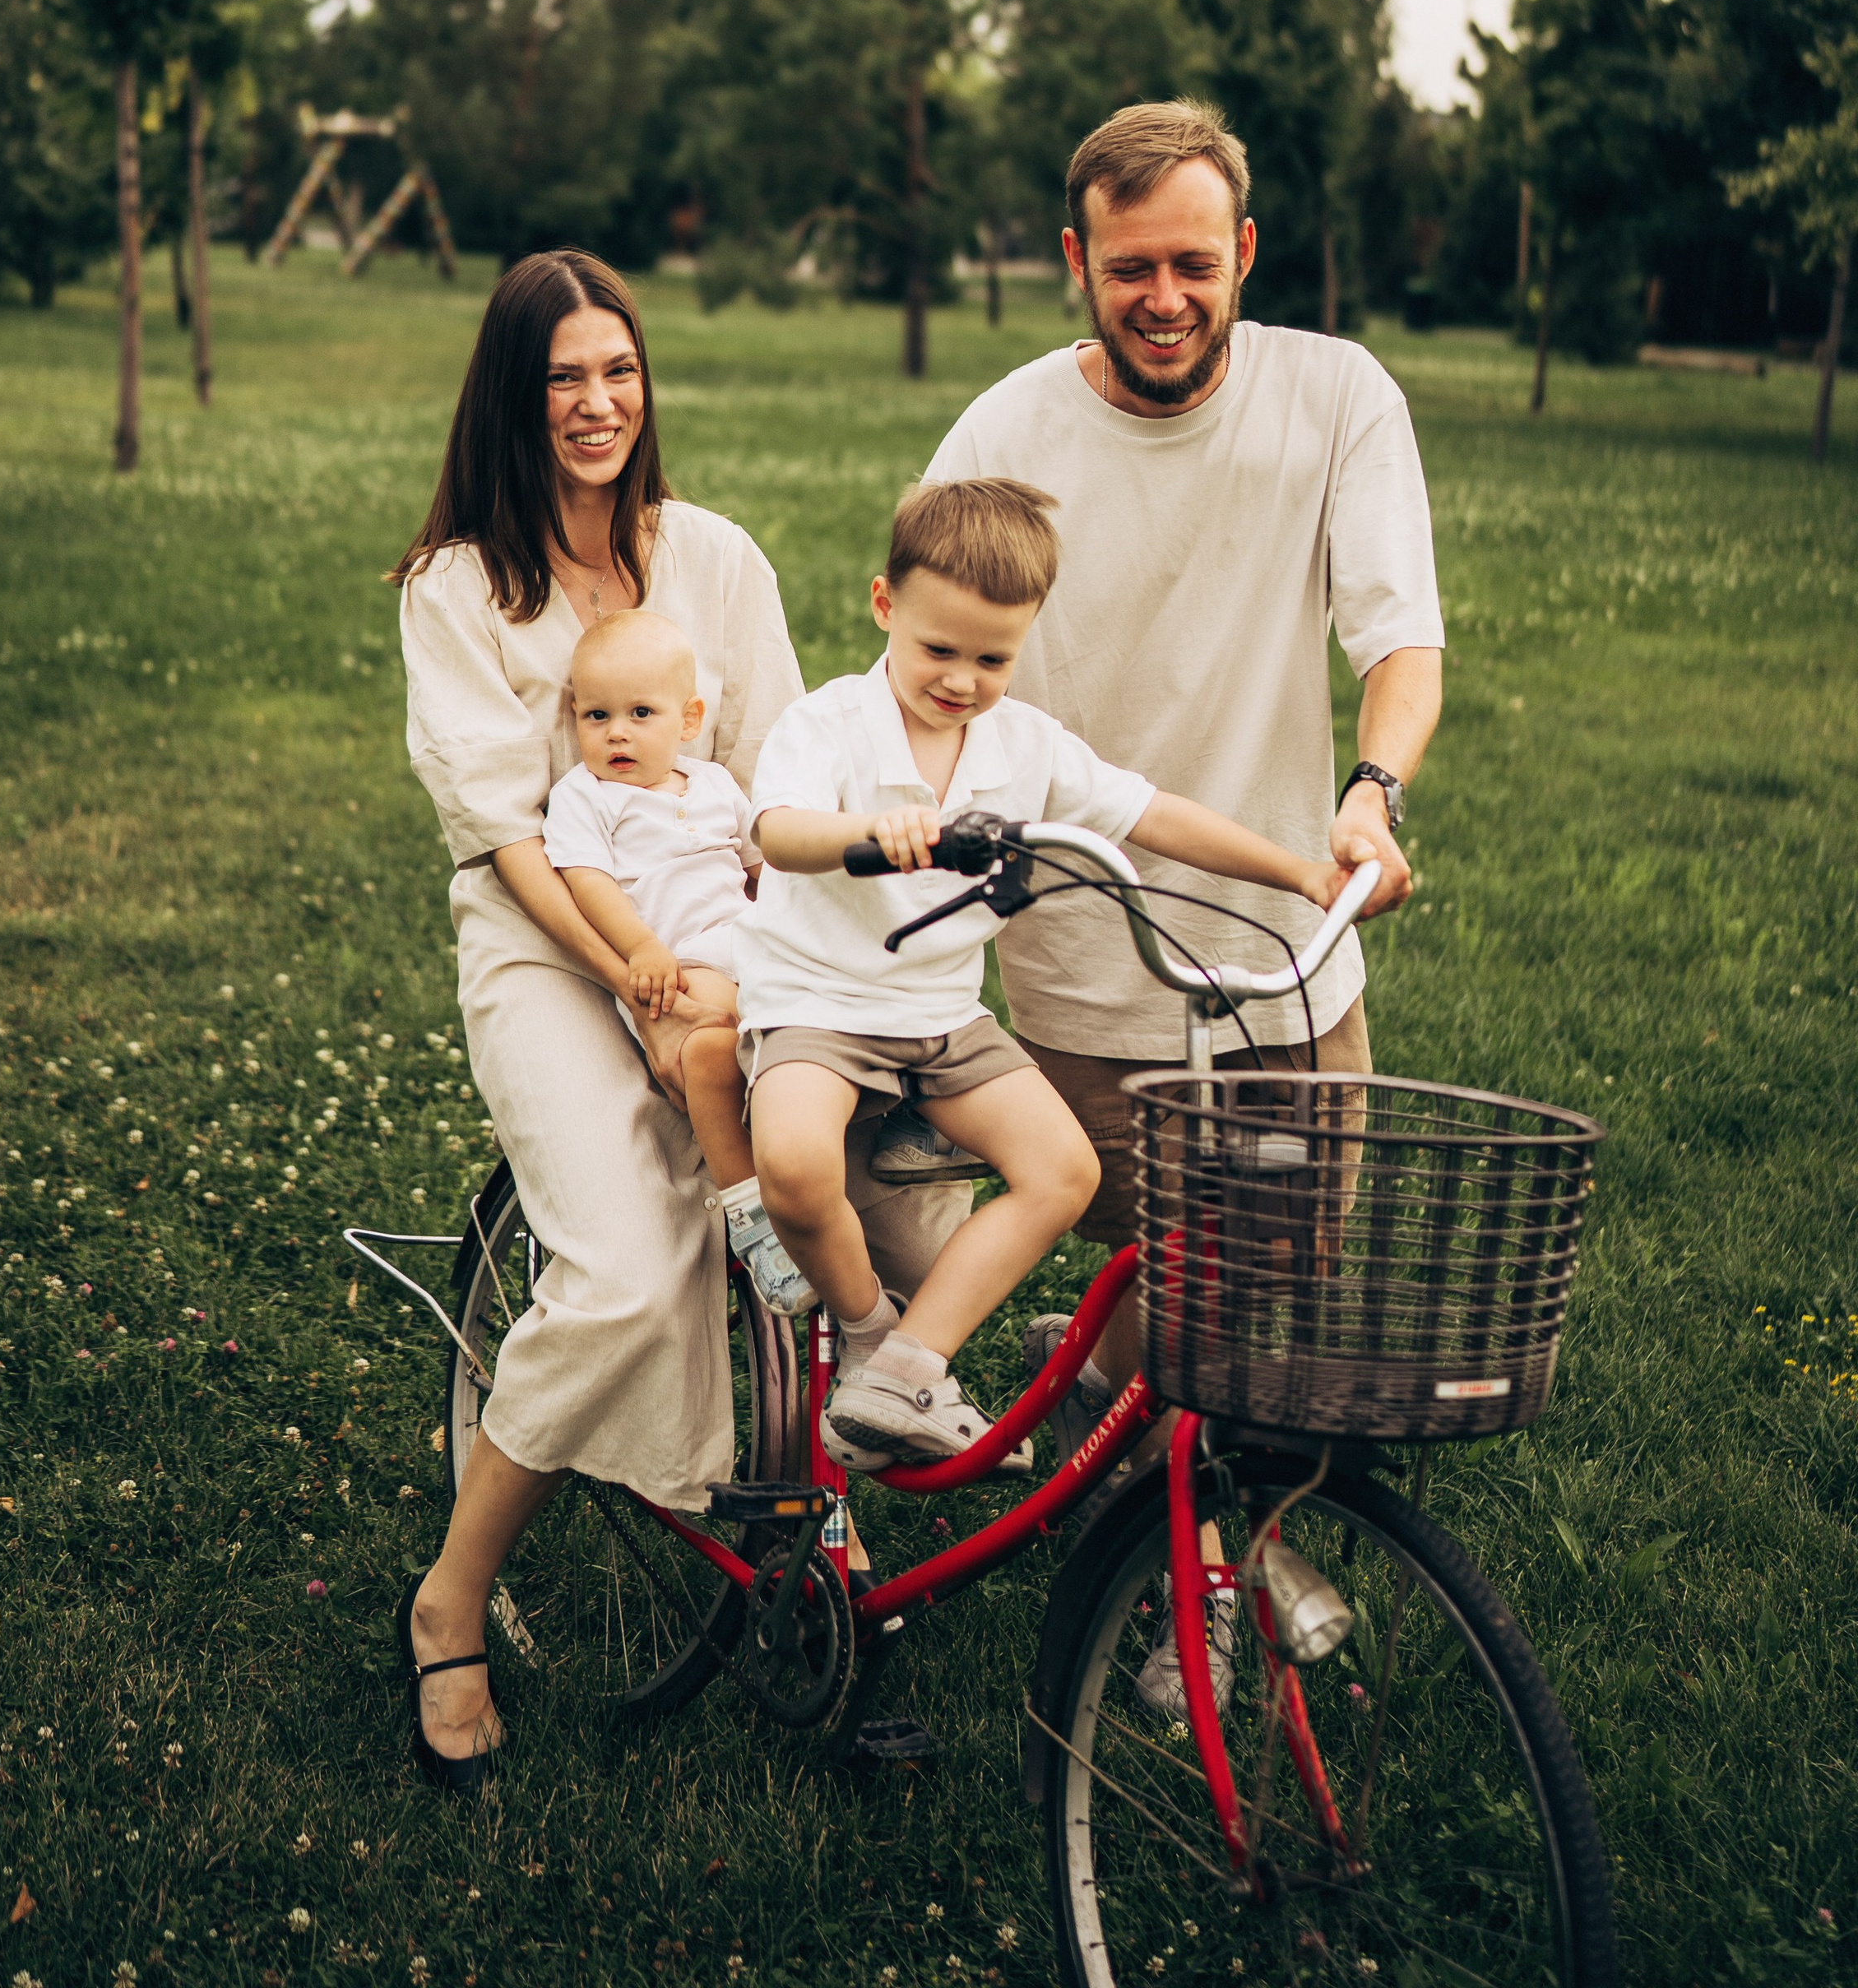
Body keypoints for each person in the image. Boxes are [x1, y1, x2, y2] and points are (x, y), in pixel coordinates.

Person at [392, 248, 966, 1786]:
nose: (596, 402)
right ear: (515, 396)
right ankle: (451, 1599)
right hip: (547, 941)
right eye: (563, 376)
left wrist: (750, 980)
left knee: (842, 1182)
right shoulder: (456, 590)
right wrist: (639, 983)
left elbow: (785, 785)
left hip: (733, 931)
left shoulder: (715, 558)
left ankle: (820, 1550)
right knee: (637, 1272)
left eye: (618, 370)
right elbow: (508, 842)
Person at [922, 99, 1443, 1710]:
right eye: (1128, 265)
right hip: (1083, 940)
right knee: (1135, 1258)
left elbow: (1395, 629)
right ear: (1075, 262)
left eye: (1193, 264)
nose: (1163, 296)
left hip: (1288, 948)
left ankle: (1186, 1518)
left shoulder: (1333, 395)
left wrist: (1376, 789)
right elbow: (921, 665)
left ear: (1243, 257)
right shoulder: (1005, 431)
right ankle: (1172, 1559)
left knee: (1268, 1262)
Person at [739, 475, 1351, 1471]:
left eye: (994, 657)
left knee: (1066, 1171)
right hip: (819, 1000)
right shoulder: (831, 724)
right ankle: (866, 1336)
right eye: (938, 650)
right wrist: (872, 835)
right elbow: (781, 832)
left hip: (940, 1016)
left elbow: (1151, 813)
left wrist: (1297, 869)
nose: (962, 679)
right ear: (884, 606)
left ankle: (912, 1367)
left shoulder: (1024, 745)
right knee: (798, 1166)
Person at [542, 606, 813, 1315]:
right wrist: (641, 949)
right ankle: (754, 1215)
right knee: (712, 1046)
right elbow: (588, 882)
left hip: (749, 944)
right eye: (596, 716)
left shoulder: (716, 785)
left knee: (831, 1014)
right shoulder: (586, 797)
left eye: (640, 712)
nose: (617, 732)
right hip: (677, 958)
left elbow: (762, 869)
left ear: (688, 719)